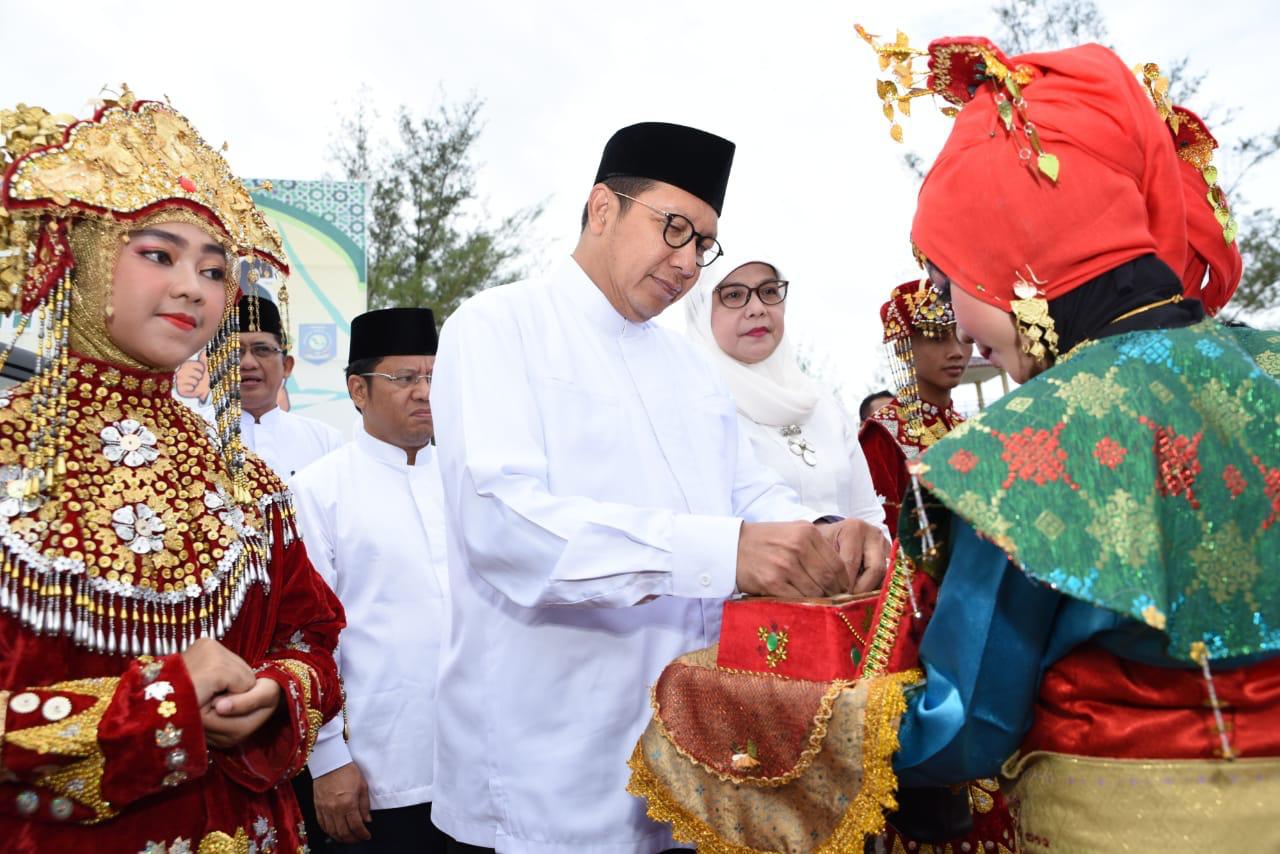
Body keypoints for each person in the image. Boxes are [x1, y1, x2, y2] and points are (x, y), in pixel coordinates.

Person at [629, 32, 1280, 853]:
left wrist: (780, 719)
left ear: (1018, 269)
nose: (962, 330)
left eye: (948, 281)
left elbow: (964, 724)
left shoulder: (1030, 447)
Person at [428, 121, 887, 853]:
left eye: (703, 244)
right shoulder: (497, 327)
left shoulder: (690, 366)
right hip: (548, 762)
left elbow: (748, 496)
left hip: (694, 757)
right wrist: (723, 553)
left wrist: (824, 534)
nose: (688, 263)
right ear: (602, 209)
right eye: (674, 230)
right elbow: (505, 527)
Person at [0, 89, 343, 851]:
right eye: (159, 255)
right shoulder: (10, 457)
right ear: (81, 256)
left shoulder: (245, 480)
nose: (194, 286)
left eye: (216, 270)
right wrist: (164, 702)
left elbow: (311, 635)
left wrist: (277, 691)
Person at [290, 307, 451, 852]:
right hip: (377, 773)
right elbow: (305, 635)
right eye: (405, 378)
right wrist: (328, 760)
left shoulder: (469, 482)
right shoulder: (318, 490)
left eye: (435, 376)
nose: (425, 392)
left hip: (478, 766)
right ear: (358, 390)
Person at [683, 254, 887, 532]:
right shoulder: (694, 409)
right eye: (733, 295)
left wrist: (874, 566)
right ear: (701, 310)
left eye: (768, 292)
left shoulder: (822, 404)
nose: (757, 308)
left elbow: (868, 516)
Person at [858, 278, 971, 537]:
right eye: (937, 338)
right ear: (902, 346)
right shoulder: (883, 434)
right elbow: (883, 533)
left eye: (963, 336)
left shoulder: (966, 428)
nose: (956, 351)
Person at [237, 293, 344, 479]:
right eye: (235, 351)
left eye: (262, 350)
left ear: (286, 366)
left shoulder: (326, 442)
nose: (247, 363)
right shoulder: (193, 438)